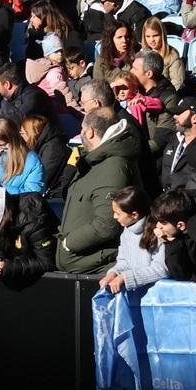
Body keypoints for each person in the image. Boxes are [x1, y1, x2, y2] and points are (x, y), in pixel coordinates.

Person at [57, 107, 142, 274]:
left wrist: (69, 243)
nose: (80, 134)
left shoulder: (113, 167)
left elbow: (107, 224)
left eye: (82, 129)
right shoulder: (94, 162)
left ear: (89, 132)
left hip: (97, 271)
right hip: (81, 266)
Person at [0, 118, 46, 194]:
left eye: (2, 145)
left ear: (14, 140)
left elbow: (33, 195)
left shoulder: (32, 162)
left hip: (17, 204)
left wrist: (3, 190)